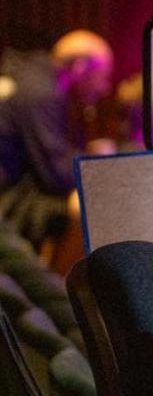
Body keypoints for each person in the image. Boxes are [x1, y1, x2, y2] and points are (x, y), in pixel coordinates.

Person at [0, 30, 115, 252]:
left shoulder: (29, 77)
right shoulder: (41, 91)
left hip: (12, 189)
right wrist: (98, 163)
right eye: (102, 75)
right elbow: (54, 174)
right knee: (89, 204)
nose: (104, 88)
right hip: (8, 201)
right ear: (81, 66)